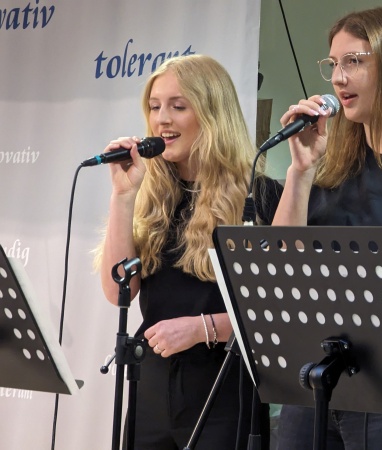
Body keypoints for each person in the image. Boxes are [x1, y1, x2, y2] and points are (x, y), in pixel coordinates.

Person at [272, 7, 382, 450]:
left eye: (354, 61)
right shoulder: (331, 164)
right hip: (316, 374)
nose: (337, 77)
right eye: (333, 64)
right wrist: (300, 170)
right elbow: (279, 262)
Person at [96, 54, 281, 449]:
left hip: (223, 388)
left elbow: (275, 314)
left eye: (178, 106)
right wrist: (122, 196)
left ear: (213, 114)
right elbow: (118, 292)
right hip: (152, 385)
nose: (162, 118)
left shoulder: (260, 197)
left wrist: (201, 329)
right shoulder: (151, 194)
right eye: (154, 106)